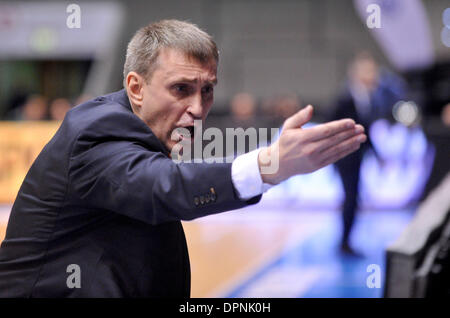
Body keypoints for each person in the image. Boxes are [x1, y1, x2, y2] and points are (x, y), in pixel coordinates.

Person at [0, 20, 366, 297]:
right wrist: (269, 164)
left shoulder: (138, 131)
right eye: (181, 89)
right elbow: (166, 188)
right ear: (136, 88)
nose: (198, 108)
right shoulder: (97, 131)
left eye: (207, 90)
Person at [331, 52, 405, 256]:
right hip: (345, 159)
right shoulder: (346, 99)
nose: (373, 75)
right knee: (351, 198)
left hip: (356, 158)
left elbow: (365, 131)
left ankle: (346, 241)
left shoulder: (368, 97)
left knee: (354, 199)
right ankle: (344, 242)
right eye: (368, 71)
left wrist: (378, 155)